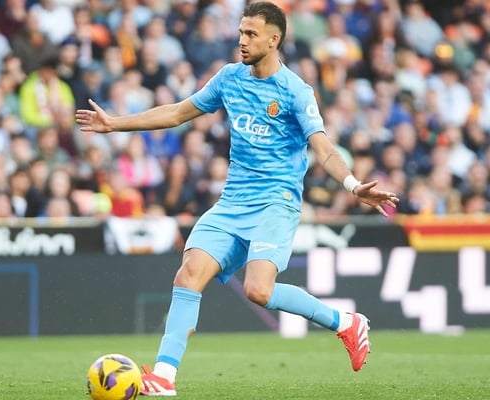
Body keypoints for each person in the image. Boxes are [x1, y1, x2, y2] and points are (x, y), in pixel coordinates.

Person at [75, 2, 399, 396]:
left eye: (251, 34)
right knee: (189, 273)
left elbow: (323, 148)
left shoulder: (295, 91)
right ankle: (163, 377)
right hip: (232, 203)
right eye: (241, 32)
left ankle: (346, 322)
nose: (242, 40)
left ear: (273, 40)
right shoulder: (230, 78)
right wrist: (115, 123)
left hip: (276, 202)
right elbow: (177, 113)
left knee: (258, 290)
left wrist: (351, 184)